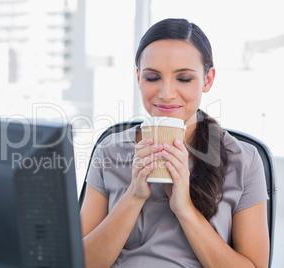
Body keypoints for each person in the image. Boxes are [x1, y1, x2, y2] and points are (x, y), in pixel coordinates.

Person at [80, 18, 269, 268]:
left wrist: (185, 208)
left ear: (207, 80)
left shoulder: (244, 159)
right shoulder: (109, 151)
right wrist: (134, 196)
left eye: (184, 79)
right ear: (138, 78)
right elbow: (79, 262)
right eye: (152, 77)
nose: (166, 93)